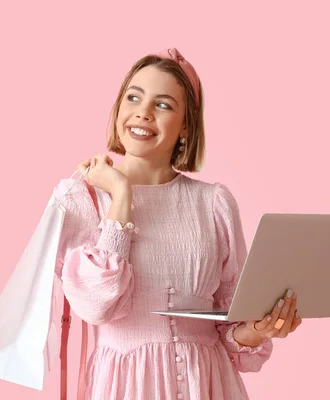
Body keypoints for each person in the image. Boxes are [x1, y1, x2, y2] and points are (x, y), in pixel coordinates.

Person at [52, 48, 302, 400]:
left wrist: (259, 329)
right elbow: (94, 306)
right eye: (133, 97)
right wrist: (121, 195)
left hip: (210, 383)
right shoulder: (83, 197)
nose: (143, 112)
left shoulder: (214, 202)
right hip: (125, 387)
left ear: (186, 124)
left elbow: (229, 325)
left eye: (164, 104)